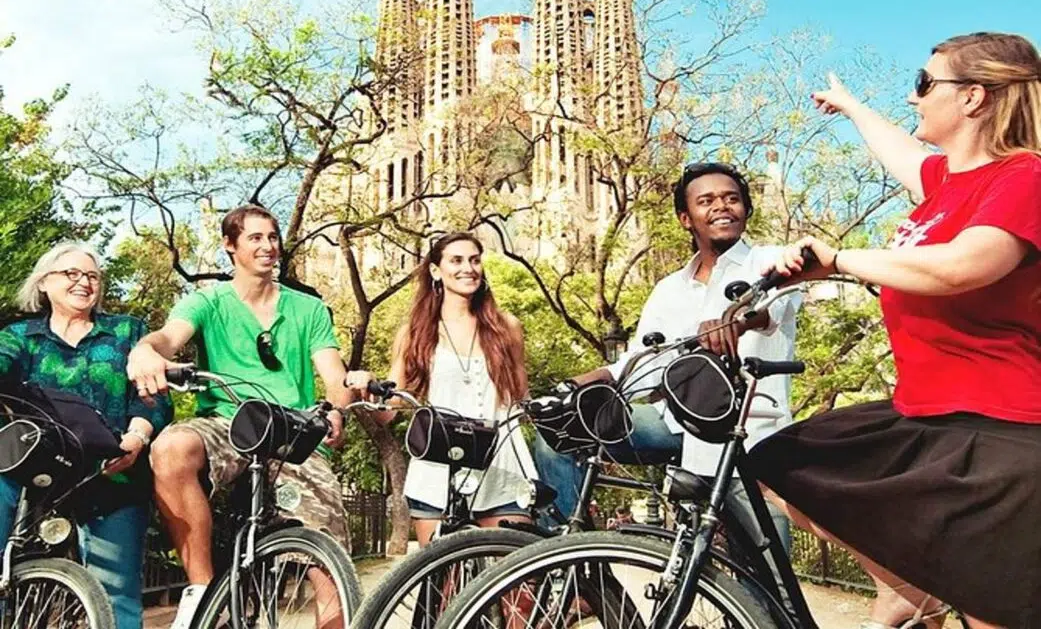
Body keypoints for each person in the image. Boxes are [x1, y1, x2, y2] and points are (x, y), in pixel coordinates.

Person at [748, 32, 1041, 629]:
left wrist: (840, 260)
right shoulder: (947, 185)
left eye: (924, 84)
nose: (914, 99)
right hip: (928, 415)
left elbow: (961, 266)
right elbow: (901, 155)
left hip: (998, 432)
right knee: (779, 462)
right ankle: (910, 589)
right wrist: (853, 108)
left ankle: (915, 591)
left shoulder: (1025, 178)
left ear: (974, 98)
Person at [534, 162, 802, 556]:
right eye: (706, 201)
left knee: (770, 584)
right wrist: (578, 384)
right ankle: (580, 568)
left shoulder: (770, 261)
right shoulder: (668, 289)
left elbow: (774, 307)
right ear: (685, 218)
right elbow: (641, 363)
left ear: (746, 209)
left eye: (731, 198)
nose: (721, 207)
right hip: (677, 429)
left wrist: (737, 319)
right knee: (559, 433)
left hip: (748, 440)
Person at [126, 205, 352, 629]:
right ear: (230, 246)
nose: (267, 246)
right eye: (255, 238)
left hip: (290, 430)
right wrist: (146, 350)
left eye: (272, 237)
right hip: (227, 423)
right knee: (171, 448)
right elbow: (170, 337)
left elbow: (333, 375)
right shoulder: (207, 300)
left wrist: (337, 409)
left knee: (327, 550)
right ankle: (203, 592)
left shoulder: (308, 309)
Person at [0, 244, 170, 629]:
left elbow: (153, 398)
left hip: (112, 467)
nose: (84, 282)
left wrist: (137, 438)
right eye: (71, 274)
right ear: (44, 283)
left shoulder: (127, 332)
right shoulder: (20, 337)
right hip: (34, 467)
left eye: (92, 276)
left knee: (117, 590)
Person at [345, 232, 533, 546]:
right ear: (436, 270)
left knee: (520, 586)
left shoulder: (506, 328)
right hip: (437, 469)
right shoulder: (415, 334)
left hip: (501, 466)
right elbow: (391, 410)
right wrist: (366, 390)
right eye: (456, 260)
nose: (468, 268)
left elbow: (521, 399)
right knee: (443, 584)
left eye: (474, 260)